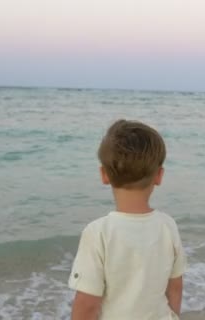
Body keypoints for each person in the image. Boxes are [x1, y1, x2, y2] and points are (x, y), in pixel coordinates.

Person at [69, 119, 187, 320]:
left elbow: (87, 304)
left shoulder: (98, 232)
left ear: (104, 175)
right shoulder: (168, 226)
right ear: (159, 176)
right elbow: (175, 287)